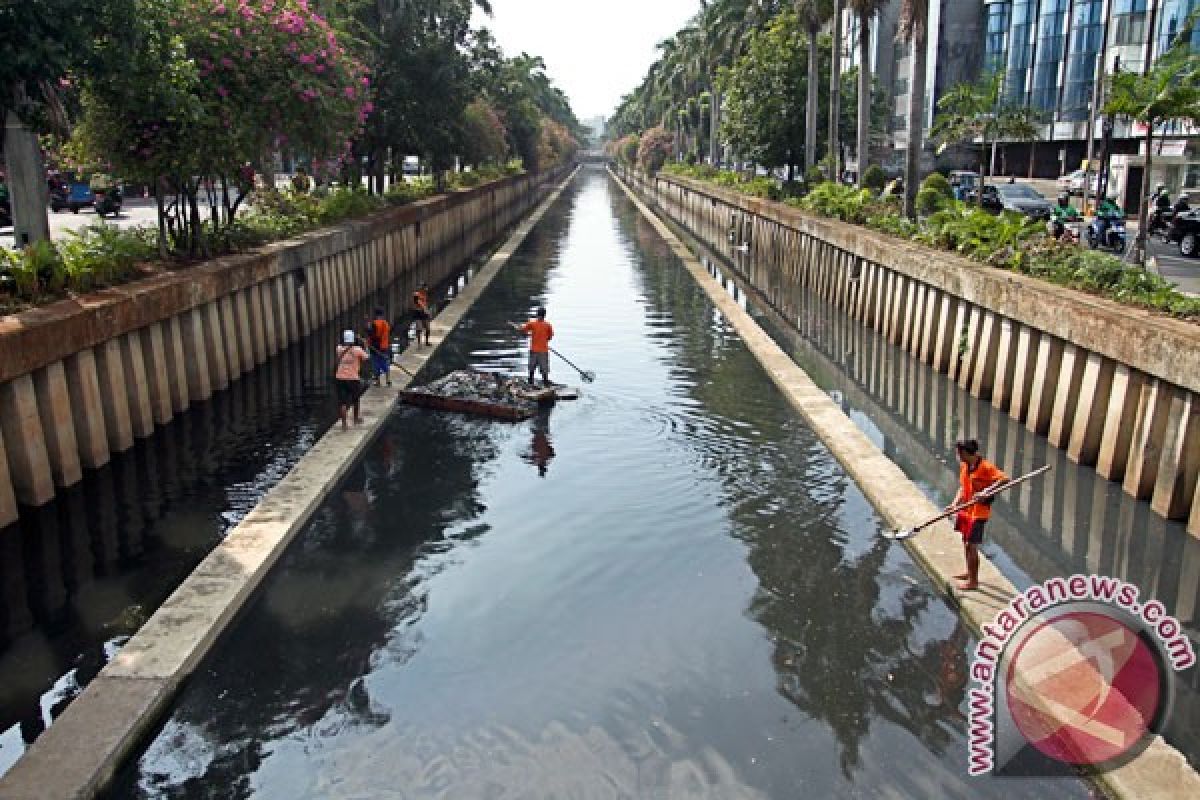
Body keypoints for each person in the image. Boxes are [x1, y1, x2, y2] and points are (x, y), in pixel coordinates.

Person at [947, 439, 1008, 591]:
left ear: (966, 453)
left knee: (971, 545)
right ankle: (969, 572)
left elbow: (1005, 479)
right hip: (967, 510)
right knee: (966, 543)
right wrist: (955, 504)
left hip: (979, 512)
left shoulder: (985, 467)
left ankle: (973, 582)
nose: (957, 455)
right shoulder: (965, 466)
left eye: (958, 452)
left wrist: (986, 491)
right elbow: (962, 488)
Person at [334, 330, 369, 430]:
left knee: (343, 402)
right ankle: (356, 418)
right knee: (355, 399)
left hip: (340, 378)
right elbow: (367, 357)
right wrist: (365, 345)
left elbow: (342, 349)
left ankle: (344, 424)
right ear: (353, 339)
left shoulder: (339, 349)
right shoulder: (357, 350)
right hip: (353, 378)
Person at [512, 306, 554, 386]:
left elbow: (522, 329)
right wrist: (543, 341)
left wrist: (517, 327)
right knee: (544, 371)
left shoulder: (532, 324)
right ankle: (546, 385)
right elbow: (550, 337)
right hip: (543, 351)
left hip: (534, 351)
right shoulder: (548, 325)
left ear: (537, 315)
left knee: (532, 369)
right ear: (544, 315)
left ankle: (530, 383)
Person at [367, 308, 392, 386]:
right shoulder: (386, 323)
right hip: (384, 347)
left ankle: (378, 382)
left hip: (375, 347)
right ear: (382, 315)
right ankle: (388, 380)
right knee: (385, 363)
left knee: (376, 364)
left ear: (375, 315)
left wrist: (368, 327)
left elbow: (373, 335)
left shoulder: (375, 324)